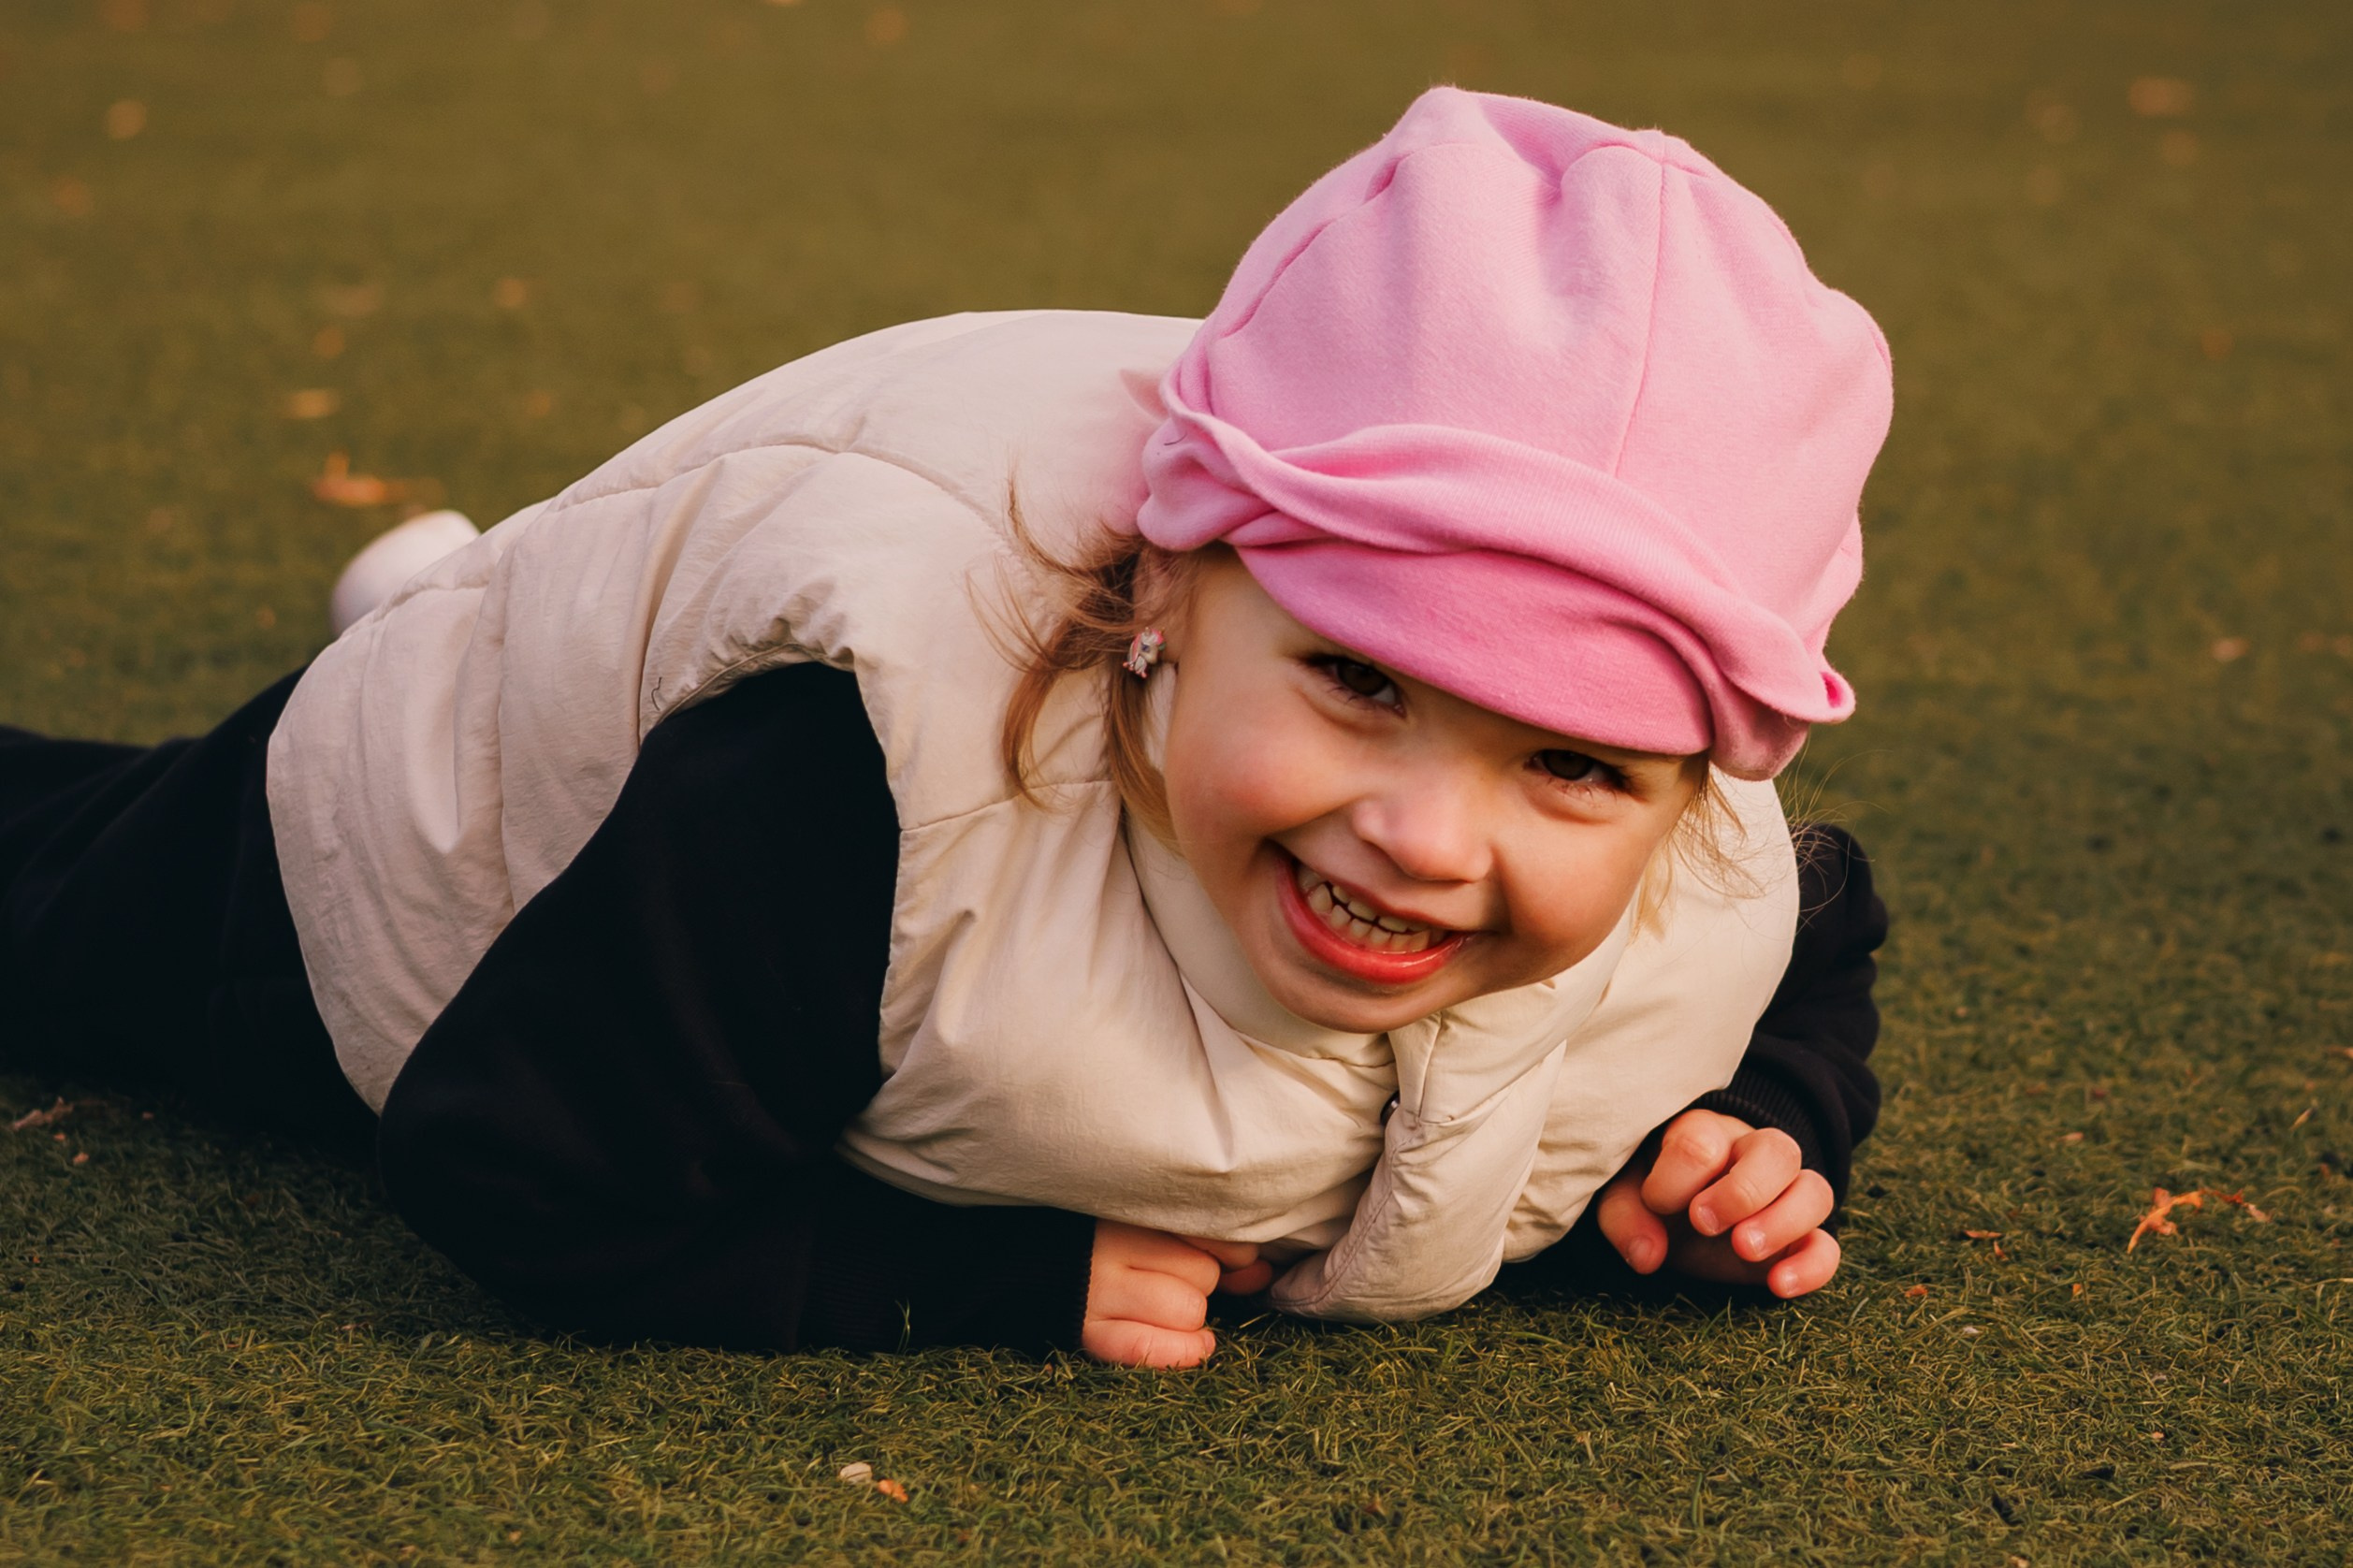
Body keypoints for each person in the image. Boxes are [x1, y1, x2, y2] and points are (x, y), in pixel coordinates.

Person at [0, 88, 1889, 1368]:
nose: (1423, 834)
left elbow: (1809, 956)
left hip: (742, 786)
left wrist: (1755, 1128)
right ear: (1170, 591)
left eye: (1569, 764)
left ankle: (453, 579)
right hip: (436, 838)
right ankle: (450, 628)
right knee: (52, 904)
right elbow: (518, 1162)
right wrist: (977, 1278)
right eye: (1358, 681)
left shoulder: (1713, 877)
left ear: (1693, 787)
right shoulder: (861, 802)